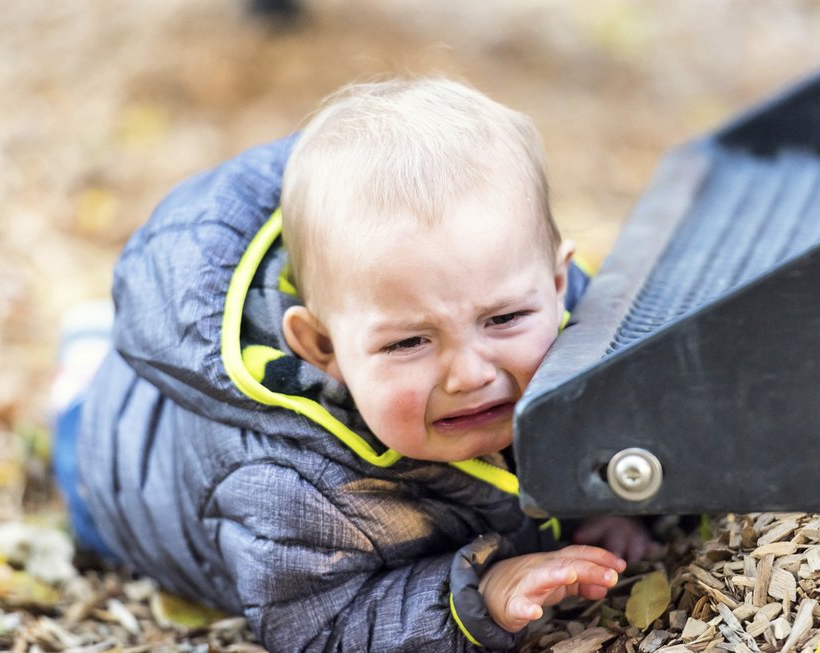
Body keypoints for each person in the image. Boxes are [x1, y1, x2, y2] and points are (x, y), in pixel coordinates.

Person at [57, 77, 659, 652]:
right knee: (82, 451)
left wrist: (598, 497)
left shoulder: (569, 319)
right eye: (408, 344)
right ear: (321, 348)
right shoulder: (288, 489)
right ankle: (82, 373)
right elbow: (322, 625)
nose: (470, 373)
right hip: (120, 467)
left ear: (556, 284)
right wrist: (477, 598)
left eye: (502, 320)